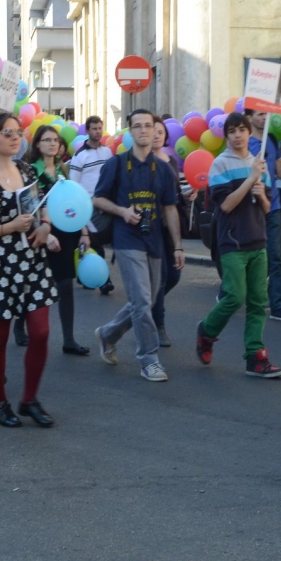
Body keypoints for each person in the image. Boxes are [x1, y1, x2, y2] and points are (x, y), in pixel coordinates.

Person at [0, 112, 60, 428]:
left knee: (41, 332)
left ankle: (29, 399)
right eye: (8, 133)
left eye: (19, 132)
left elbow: (39, 203)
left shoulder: (25, 168)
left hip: (31, 262)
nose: (16, 137)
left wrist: (45, 226)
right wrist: (8, 227)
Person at [92, 109, 185, 382]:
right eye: (138, 126)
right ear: (130, 131)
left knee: (147, 300)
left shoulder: (164, 170)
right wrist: (122, 212)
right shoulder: (117, 164)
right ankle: (149, 359)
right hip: (126, 240)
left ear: (157, 131)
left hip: (154, 242)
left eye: (149, 126)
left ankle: (107, 334)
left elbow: (170, 210)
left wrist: (178, 246)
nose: (144, 131)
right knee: (143, 301)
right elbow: (98, 199)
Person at [195, 113, 281, 377]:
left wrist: (261, 193)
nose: (237, 135)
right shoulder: (220, 164)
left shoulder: (259, 164)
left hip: (258, 240)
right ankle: (207, 331)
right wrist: (249, 181)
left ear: (248, 133)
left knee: (258, 302)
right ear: (227, 136)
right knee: (235, 296)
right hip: (232, 242)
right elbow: (226, 204)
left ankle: (255, 356)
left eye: (241, 130)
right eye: (232, 131)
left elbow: (267, 208)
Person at [28, 124, 91, 355]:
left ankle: (68, 339)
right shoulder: (31, 171)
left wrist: (84, 232)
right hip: (40, 234)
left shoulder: (63, 170)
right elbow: (30, 207)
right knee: (32, 286)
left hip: (66, 234)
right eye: (47, 140)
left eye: (55, 140)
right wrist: (47, 233)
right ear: (37, 144)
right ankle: (19, 327)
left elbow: (75, 203)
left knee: (65, 286)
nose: (53, 143)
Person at [246, 109, 281, 321]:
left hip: (272, 207)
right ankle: (236, 293)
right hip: (250, 208)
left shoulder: (273, 140)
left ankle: (277, 306)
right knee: (250, 256)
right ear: (249, 118)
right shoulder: (244, 143)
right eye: (259, 114)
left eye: (266, 114)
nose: (264, 117)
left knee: (275, 258)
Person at [151, 117, 195, 346]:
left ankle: (147, 307)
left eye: (161, 131)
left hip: (171, 229)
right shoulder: (145, 162)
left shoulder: (171, 162)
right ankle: (158, 326)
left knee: (174, 276)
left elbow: (173, 195)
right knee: (161, 278)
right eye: (154, 131)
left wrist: (186, 195)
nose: (157, 135)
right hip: (152, 228)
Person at [70, 115, 115, 294]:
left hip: (105, 203)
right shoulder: (80, 156)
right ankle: (105, 281)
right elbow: (74, 184)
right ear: (87, 131)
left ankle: (83, 271)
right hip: (87, 205)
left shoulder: (107, 153)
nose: (97, 132)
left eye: (99, 128)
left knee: (101, 240)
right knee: (95, 243)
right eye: (94, 128)